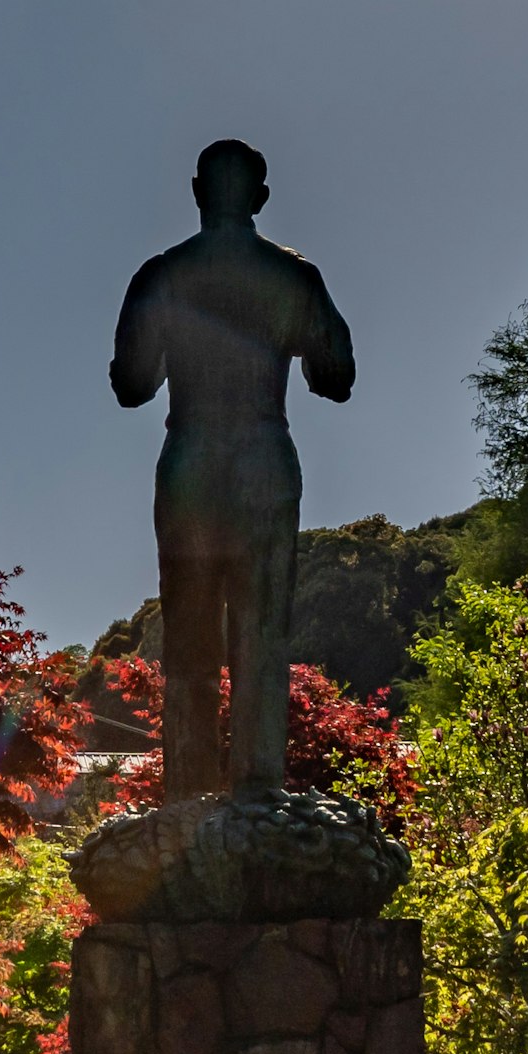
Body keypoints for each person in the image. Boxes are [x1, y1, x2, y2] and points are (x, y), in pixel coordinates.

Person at [110, 140, 355, 802]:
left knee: (188, 640)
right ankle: (257, 794)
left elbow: (131, 385)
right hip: (262, 458)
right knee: (261, 634)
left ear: (196, 193)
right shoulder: (292, 277)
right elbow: (336, 376)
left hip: (190, 456)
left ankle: (186, 801)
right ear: (261, 199)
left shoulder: (161, 276)